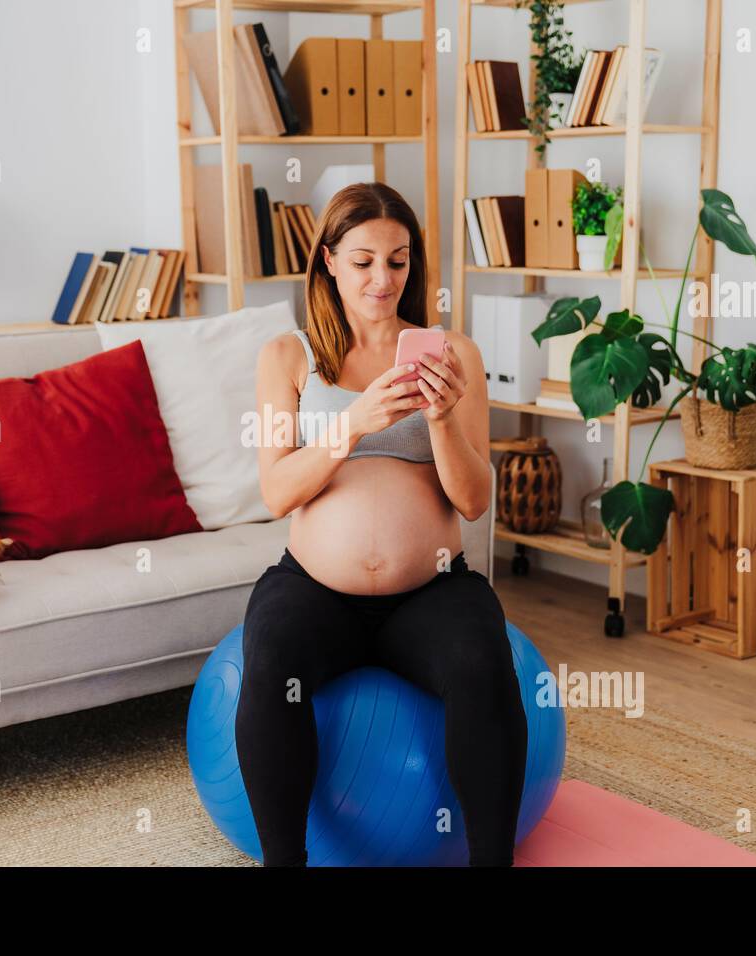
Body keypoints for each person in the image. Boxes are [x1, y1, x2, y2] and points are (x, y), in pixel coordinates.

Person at [236, 181, 528, 867]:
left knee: (484, 662)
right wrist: (353, 424)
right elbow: (277, 490)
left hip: (430, 591)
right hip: (313, 587)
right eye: (363, 260)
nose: (382, 278)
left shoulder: (454, 355)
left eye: (397, 260)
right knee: (272, 660)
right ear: (329, 262)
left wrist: (442, 419)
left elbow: (475, 501)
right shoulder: (288, 357)